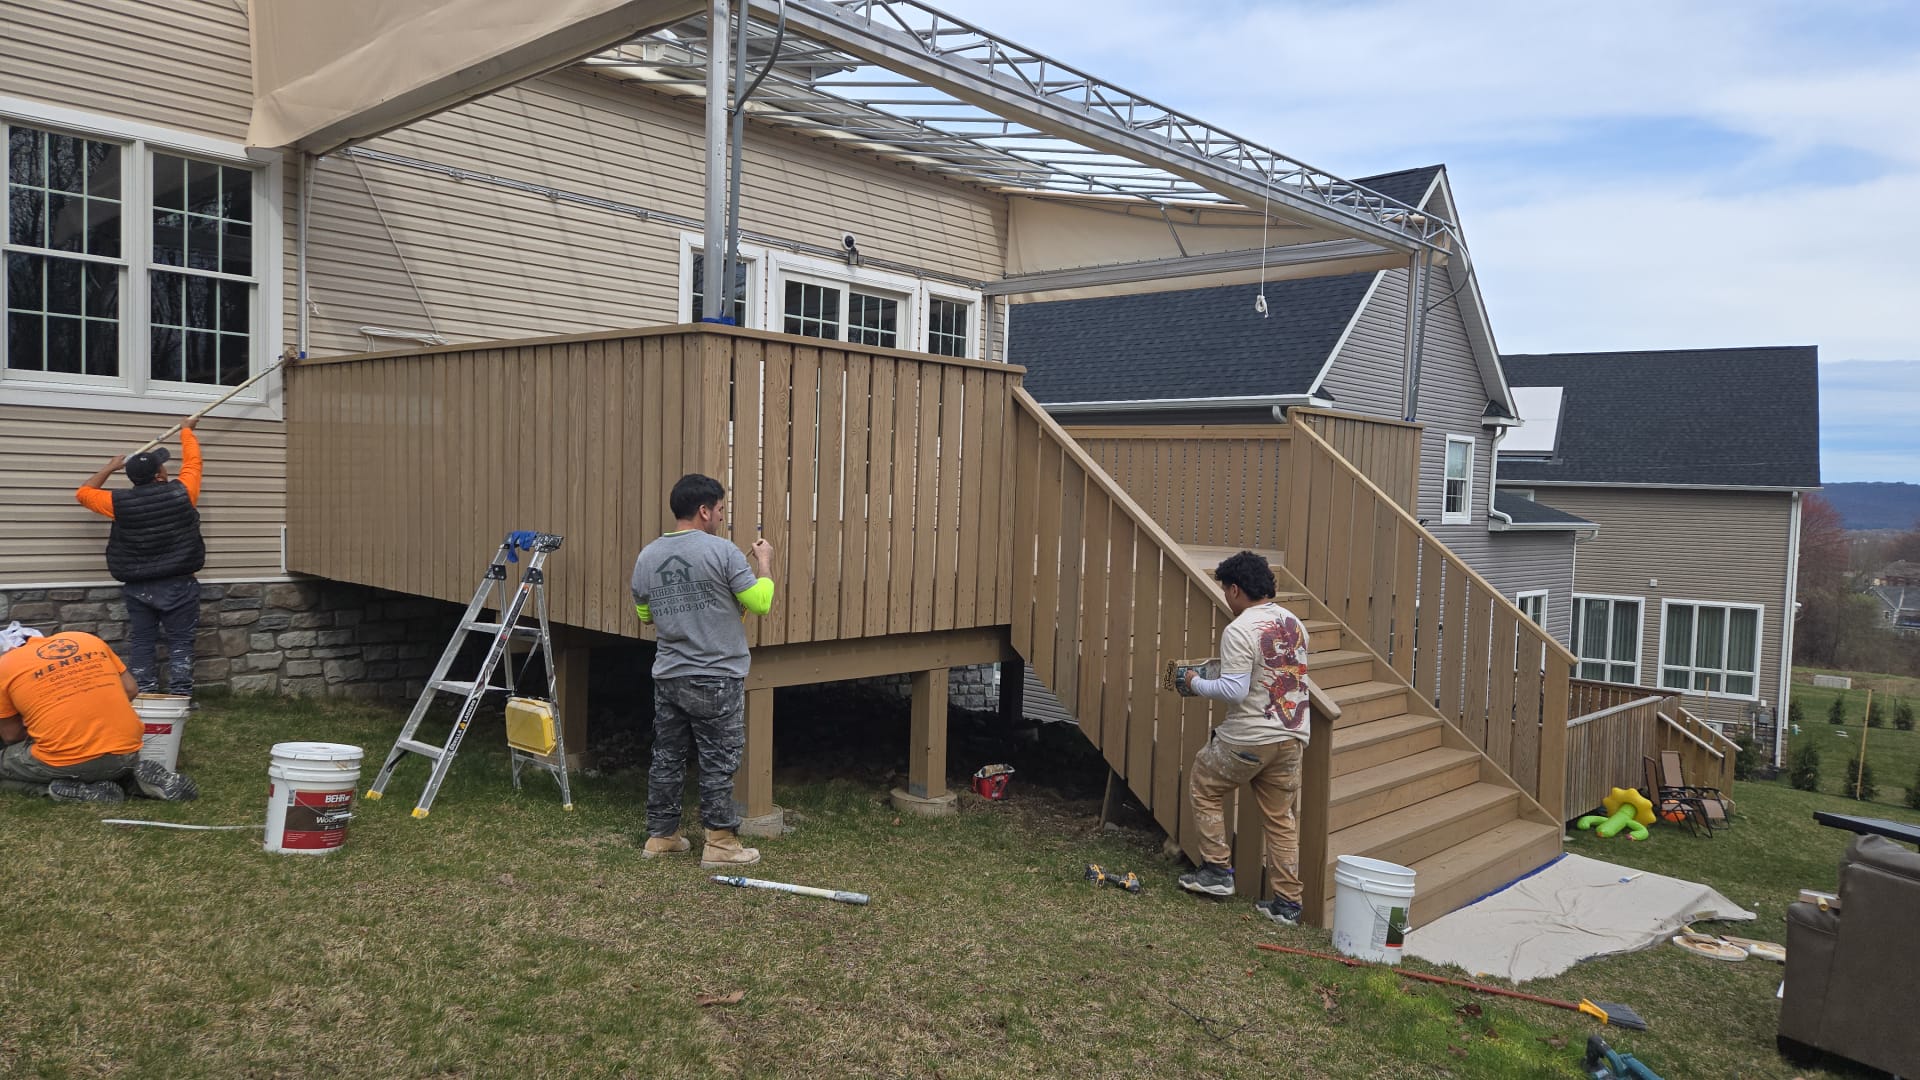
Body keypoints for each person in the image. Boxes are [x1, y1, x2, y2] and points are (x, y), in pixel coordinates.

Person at [630, 474, 776, 868]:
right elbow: (760, 603)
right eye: (721, 511)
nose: (722, 518)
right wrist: (764, 563)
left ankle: (661, 837)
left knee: (667, 757)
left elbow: (646, 615)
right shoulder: (723, 552)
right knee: (718, 760)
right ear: (704, 510)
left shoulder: (647, 557)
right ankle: (722, 845)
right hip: (716, 675)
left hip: (669, 675)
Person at [1176, 550, 1312, 925]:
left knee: (1204, 781)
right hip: (1292, 734)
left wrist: (1195, 682)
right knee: (1281, 818)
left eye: (1225, 590)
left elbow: (1235, 691)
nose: (1224, 597)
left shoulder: (1239, 628)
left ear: (1235, 589)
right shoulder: (1294, 623)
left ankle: (1217, 872)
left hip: (1251, 736)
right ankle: (1288, 905)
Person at [75, 417, 206, 697]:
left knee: (143, 640)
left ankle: (144, 694)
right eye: (162, 466)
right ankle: (181, 697)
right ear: (159, 476)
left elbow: (84, 493)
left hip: (139, 587)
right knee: (180, 641)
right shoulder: (183, 492)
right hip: (179, 584)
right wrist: (186, 432)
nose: (165, 469)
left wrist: (111, 467)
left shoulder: (118, 502)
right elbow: (193, 463)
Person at [0, 621, 199, 803]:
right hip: (126, 752)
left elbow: (11, 735)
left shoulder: (5, 666)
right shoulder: (85, 639)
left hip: (66, 761)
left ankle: (63, 790)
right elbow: (131, 689)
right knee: (101, 764)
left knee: (24, 763)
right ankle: (137, 783)